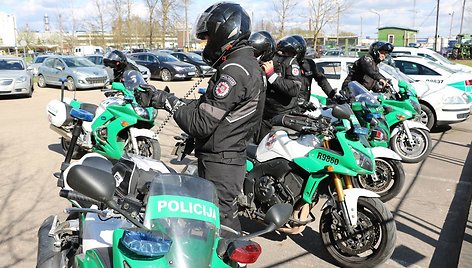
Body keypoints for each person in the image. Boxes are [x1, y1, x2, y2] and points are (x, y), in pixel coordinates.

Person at [137, 2, 266, 238]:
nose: (206, 45)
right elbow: (209, 110)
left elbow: (201, 123)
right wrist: (166, 98)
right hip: (226, 156)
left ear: (223, 34)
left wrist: (166, 101)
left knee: (222, 228)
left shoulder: (235, 70)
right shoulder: (245, 64)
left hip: (222, 163)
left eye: (207, 39)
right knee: (212, 224)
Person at [257, 35, 304, 142]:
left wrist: (271, 75)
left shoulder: (291, 63)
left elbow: (294, 88)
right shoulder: (268, 60)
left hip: (283, 118)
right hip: (265, 116)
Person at [290, 35, 336, 108]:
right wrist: (297, 101)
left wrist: (332, 94)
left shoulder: (309, 64)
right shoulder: (285, 64)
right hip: (289, 106)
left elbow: (321, 79)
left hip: (305, 105)